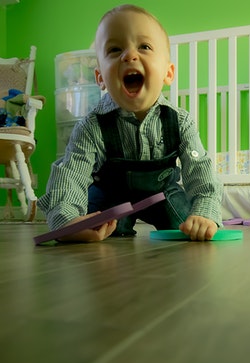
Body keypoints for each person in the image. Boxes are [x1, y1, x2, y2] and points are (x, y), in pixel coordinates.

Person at [38, 4, 223, 242]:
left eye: (144, 46)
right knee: (97, 228)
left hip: (163, 193)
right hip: (112, 197)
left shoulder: (181, 121)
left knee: (187, 227)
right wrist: (67, 220)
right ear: (101, 78)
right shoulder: (91, 126)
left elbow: (201, 172)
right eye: (115, 49)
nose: (129, 55)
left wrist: (205, 213)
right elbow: (71, 174)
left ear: (168, 73)